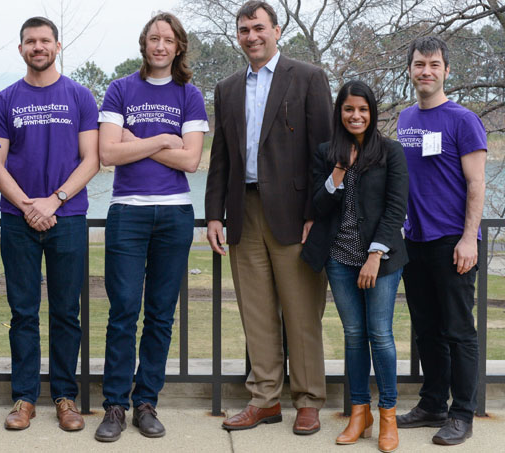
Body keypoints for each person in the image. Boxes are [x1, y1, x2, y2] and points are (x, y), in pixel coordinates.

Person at [205, 1, 333, 435]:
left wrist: (317, 212)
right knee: (255, 313)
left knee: (301, 312)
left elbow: (326, 152)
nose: (251, 36)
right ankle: (264, 399)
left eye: (259, 28)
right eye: (244, 30)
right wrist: (213, 215)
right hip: (243, 211)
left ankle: (309, 400)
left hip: (296, 215)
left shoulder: (309, 77)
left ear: (277, 31)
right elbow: (219, 156)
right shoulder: (226, 88)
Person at [93, 12, 208, 442]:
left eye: (169, 39)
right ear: (144, 44)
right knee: (123, 311)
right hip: (128, 212)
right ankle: (115, 406)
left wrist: (133, 143)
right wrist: (162, 139)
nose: (160, 46)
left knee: (161, 314)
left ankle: (146, 403)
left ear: (179, 46)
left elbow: (191, 160)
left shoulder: (189, 95)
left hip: (174, 214)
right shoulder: (121, 88)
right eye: (154, 38)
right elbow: (107, 153)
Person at [0, 16, 99, 432]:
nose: (38, 47)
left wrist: (54, 201)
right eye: (30, 41)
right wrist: (26, 204)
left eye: (44, 40)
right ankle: (23, 398)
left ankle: (65, 396)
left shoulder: (79, 95)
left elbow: (91, 159)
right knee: (23, 312)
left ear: (57, 46)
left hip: (68, 217)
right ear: (21, 49)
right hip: (18, 220)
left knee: (67, 312)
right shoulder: (4, 100)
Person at [301, 81, 408, 452]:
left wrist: (375, 256)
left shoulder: (391, 152)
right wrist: (337, 172)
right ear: (340, 113)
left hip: (381, 259)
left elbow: (396, 208)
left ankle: (388, 415)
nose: (356, 116)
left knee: (380, 335)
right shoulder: (327, 152)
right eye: (349, 109)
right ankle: (359, 413)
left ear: (372, 112)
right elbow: (318, 205)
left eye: (362, 109)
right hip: (340, 258)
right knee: (353, 336)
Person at [395, 35, 487, 446]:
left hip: (453, 243)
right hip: (414, 241)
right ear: (411, 70)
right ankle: (432, 403)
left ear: (446, 70)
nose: (426, 71)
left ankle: (462, 414)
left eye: (434, 64)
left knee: (458, 331)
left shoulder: (463, 120)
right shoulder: (405, 120)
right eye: (419, 64)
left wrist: (470, 238)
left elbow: (476, 184)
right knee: (427, 330)